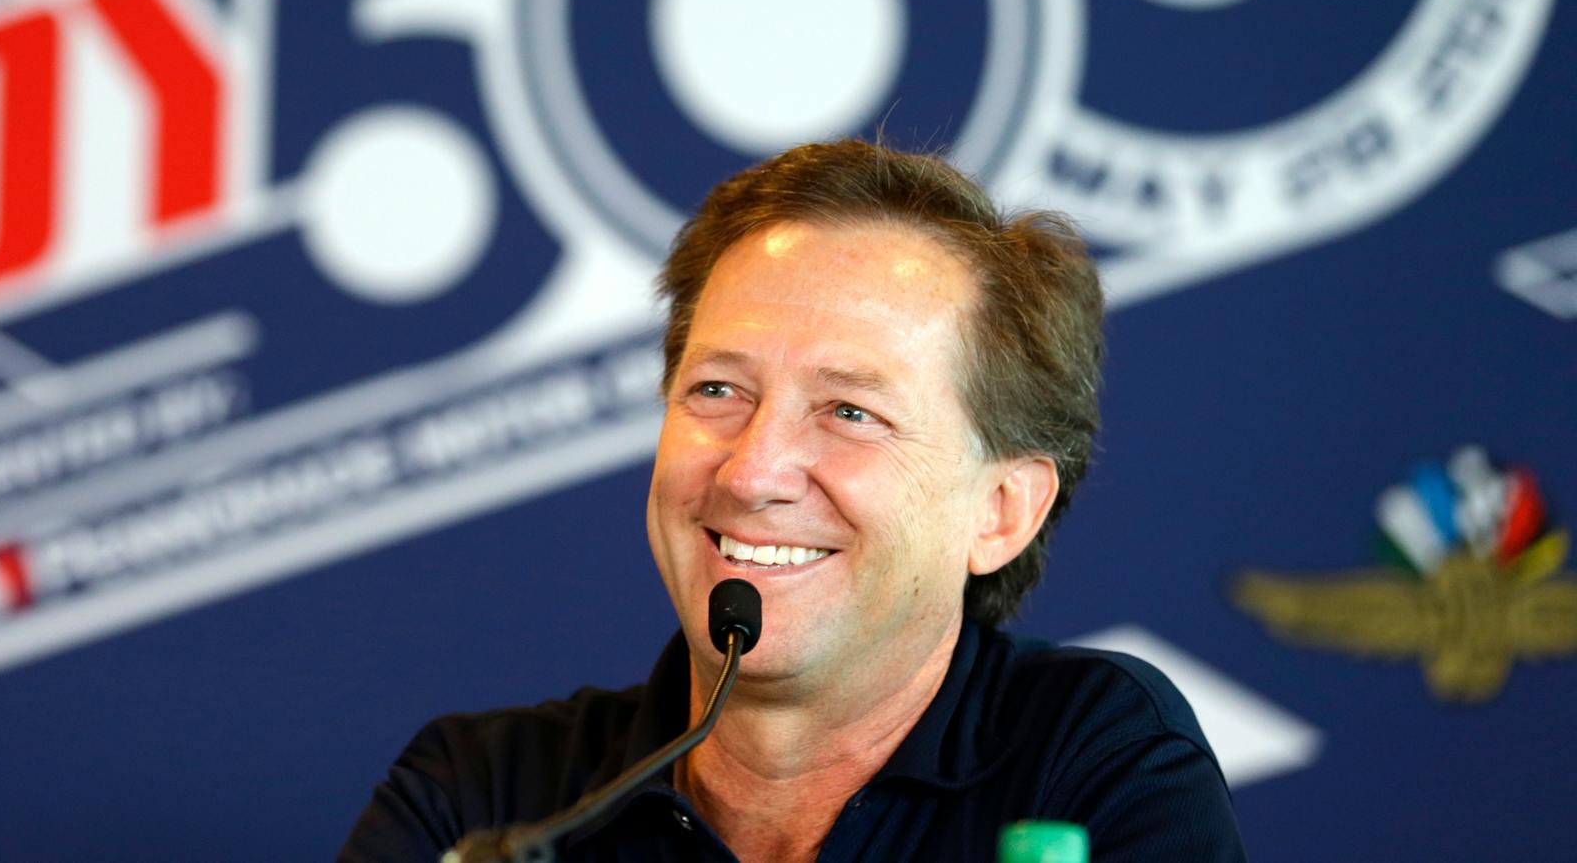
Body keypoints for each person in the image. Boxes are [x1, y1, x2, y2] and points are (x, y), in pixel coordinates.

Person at [341, 139, 1245, 861]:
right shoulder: (483, 801)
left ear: (1001, 510)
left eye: (850, 411)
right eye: (717, 391)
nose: (751, 472)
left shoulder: (1092, 767)